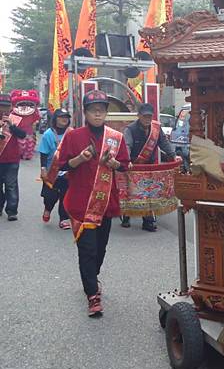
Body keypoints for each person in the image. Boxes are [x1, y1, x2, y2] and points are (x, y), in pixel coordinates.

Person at [55, 90, 130, 316]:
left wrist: (113, 162)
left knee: (100, 249)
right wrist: (80, 158)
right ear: (85, 112)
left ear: (107, 113)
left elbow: (126, 165)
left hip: (105, 202)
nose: (98, 114)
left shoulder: (116, 137)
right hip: (80, 204)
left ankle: (91, 277)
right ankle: (92, 295)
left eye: (102, 110)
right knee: (87, 249)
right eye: (93, 110)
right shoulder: (73, 136)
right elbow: (62, 166)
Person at [121, 103, 176, 232]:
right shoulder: (130, 129)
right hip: (133, 166)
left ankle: (148, 221)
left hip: (149, 167)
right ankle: (126, 215)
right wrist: (127, 160)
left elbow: (164, 143)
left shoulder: (156, 129)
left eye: (149, 116)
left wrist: (173, 155)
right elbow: (127, 145)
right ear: (139, 115)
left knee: (148, 193)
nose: (147, 119)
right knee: (131, 193)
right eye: (144, 116)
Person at [39, 109, 72, 229]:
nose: (64, 119)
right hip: (51, 171)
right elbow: (43, 153)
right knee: (50, 196)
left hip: (67, 170)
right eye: (61, 117)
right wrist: (43, 169)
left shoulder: (71, 133)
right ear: (55, 119)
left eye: (66, 117)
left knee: (66, 195)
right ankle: (48, 208)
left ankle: (64, 218)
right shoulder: (48, 134)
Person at [0, 93, 27, 221]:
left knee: (11, 185)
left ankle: (12, 211)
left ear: (11, 106)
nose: (3, 109)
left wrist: (11, 126)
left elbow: (22, 135)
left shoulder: (16, 119)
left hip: (12, 158)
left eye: (6, 106)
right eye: (1, 106)